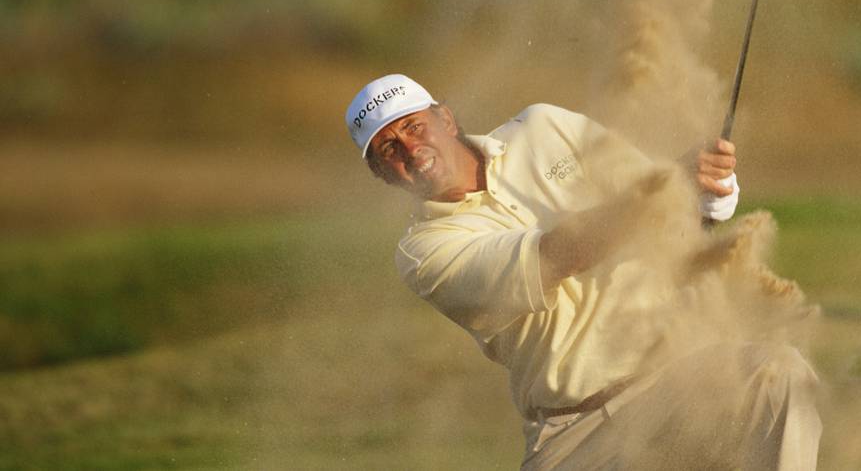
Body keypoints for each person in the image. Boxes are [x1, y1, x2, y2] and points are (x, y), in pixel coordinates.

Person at [346, 74, 821, 470]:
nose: (409, 149)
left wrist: (703, 200)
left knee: (777, 375)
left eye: (413, 126)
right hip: (578, 433)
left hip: (680, 383)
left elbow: (652, 193)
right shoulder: (424, 252)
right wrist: (667, 188)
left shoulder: (542, 126)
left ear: (445, 119)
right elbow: (556, 256)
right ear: (382, 174)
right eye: (387, 149)